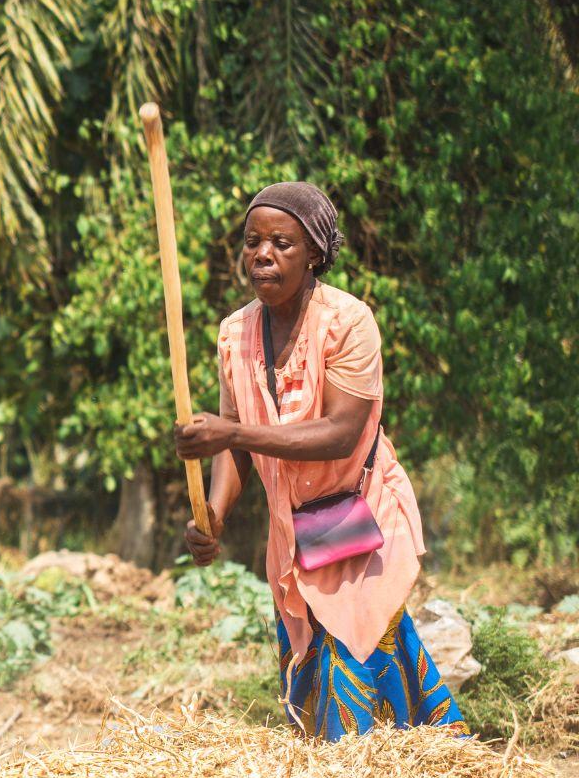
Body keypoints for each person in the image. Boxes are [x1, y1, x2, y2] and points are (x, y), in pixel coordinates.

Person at [175, 182, 466, 740]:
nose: (262, 254)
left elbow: (340, 432)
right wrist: (212, 513)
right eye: (252, 241)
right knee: (312, 649)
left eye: (281, 243)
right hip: (294, 529)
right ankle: (377, 758)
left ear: (313, 252)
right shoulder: (234, 335)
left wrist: (231, 431)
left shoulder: (348, 322)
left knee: (355, 646)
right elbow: (235, 450)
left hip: (363, 516)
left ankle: (386, 766)